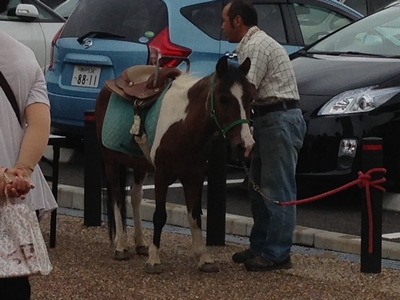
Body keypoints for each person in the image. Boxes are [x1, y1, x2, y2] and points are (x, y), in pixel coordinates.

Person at [222, 0, 307, 272]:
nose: (222, 27)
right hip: (269, 118)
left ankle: (277, 254)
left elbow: (247, 92)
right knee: (257, 188)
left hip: (278, 119)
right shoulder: (250, 45)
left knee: (277, 189)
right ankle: (259, 247)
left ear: (238, 21)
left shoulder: (256, 47)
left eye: (224, 21)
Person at [0, 0, 58, 297]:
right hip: (16, 196)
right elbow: (39, 123)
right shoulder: (24, 57)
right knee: (12, 282)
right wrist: (19, 173)